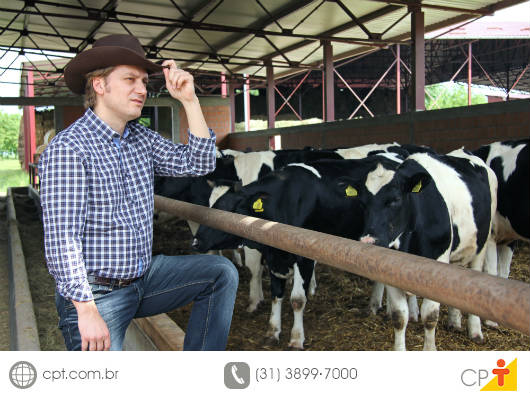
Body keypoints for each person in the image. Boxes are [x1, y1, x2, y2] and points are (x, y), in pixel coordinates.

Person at [38, 34, 239, 351]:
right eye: (130, 79)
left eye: (145, 81)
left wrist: (189, 100)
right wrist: (86, 310)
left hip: (143, 279)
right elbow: (63, 237)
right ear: (100, 86)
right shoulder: (69, 149)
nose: (143, 90)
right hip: (97, 294)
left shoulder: (141, 138)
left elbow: (199, 162)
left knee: (221, 273)